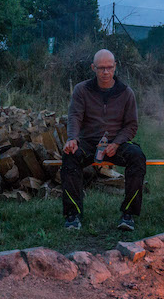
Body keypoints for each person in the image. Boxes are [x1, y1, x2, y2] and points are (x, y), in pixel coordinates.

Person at [61, 49, 146, 231]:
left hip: (118, 143)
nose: (105, 72)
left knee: (137, 156)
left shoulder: (126, 93)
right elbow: (74, 116)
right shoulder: (82, 89)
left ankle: (128, 214)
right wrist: (72, 139)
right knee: (70, 155)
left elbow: (131, 125)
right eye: (101, 68)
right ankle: (73, 215)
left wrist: (117, 143)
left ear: (115, 67)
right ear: (93, 68)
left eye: (109, 67)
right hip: (89, 141)